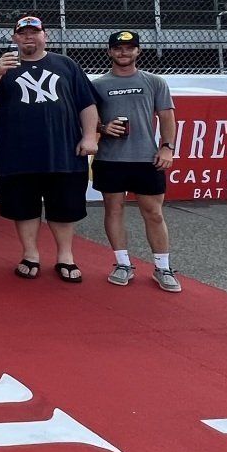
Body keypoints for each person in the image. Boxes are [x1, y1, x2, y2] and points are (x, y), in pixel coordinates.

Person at [0, 14, 100, 282]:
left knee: (64, 208)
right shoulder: (3, 66)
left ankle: (65, 256)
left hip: (62, 151)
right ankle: (30, 254)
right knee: (24, 207)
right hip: (17, 153)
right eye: (23, 33)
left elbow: (87, 103)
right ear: (14, 38)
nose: (28, 37)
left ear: (45, 35)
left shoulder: (66, 64)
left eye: (34, 32)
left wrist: (90, 137)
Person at [90, 29, 181, 292]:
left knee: (154, 213)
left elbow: (167, 116)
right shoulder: (97, 85)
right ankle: (122, 264)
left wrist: (167, 148)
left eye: (129, 48)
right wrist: (103, 128)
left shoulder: (154, 82)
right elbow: (88, 119)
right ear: (109, 51)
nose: (123, 52)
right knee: (113, 210)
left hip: (146, 158)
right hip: (110, 159)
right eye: (118, 48)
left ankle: (163, 267)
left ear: (138, 51)